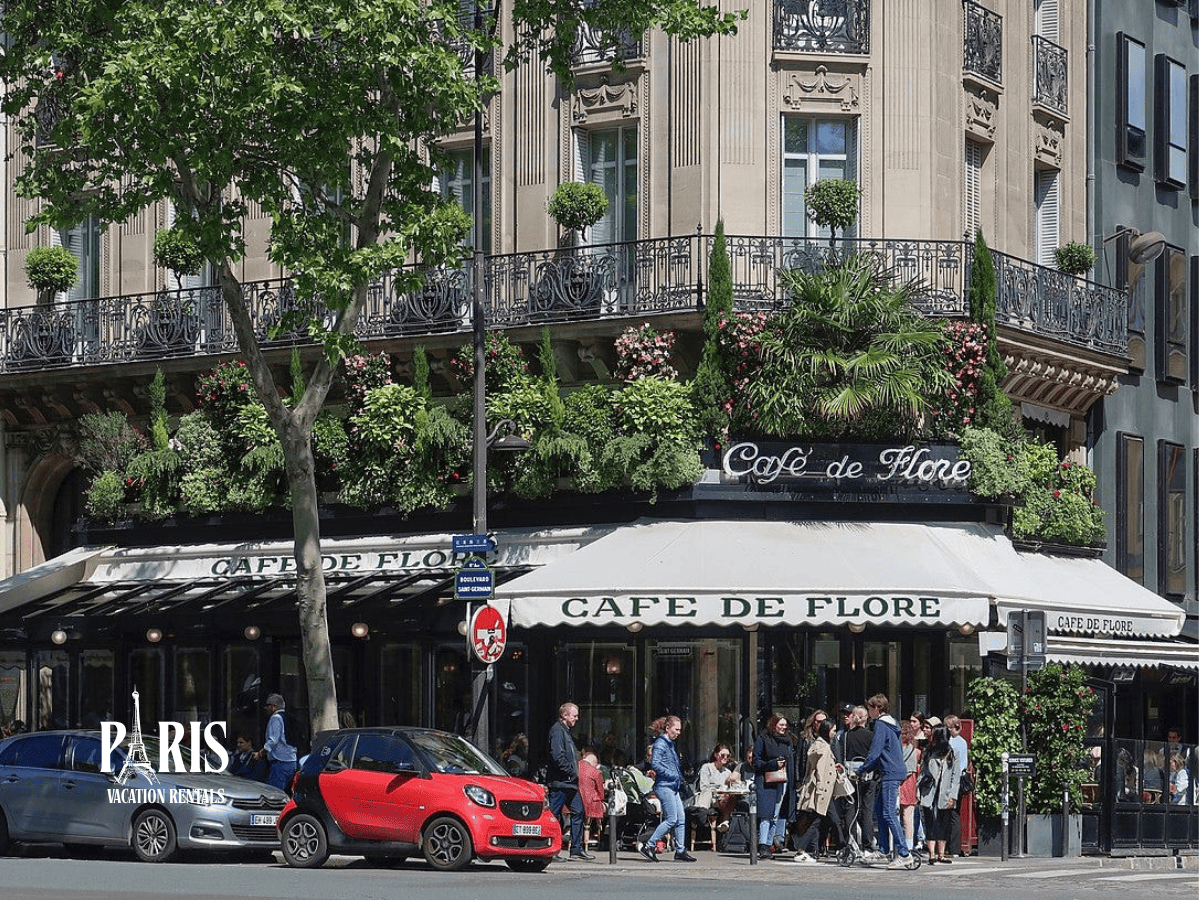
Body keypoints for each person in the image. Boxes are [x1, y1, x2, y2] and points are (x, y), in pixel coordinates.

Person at [859, 693, 915, 870]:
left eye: (869, 708)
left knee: (889, 813)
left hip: (890, 772)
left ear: (877, 708)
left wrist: (861, 770)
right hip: (894, 770)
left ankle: (904, 854)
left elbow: (875, 752)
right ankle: (883, 849)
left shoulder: (881, 725)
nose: (868, 711)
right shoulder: (893, 723)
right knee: (879, 809)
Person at [638, 715, 696, 862]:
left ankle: (680, 850)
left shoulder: (669, 743)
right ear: (668, 728)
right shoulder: (661, 743)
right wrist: (673, 775)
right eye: (676, 729)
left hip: (672, 786)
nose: (678, 733)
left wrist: (678, 778)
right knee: (672, 819)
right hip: (665, 786)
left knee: (681, 818)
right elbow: (655, 764)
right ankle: (649, 845)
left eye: (680, 730)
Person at [792, 719, 844, 863]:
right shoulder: (825, 748)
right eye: (833, 730)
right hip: (823, 791)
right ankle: (842, 846)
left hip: (820, 790)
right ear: (827, 731)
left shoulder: (817, 745)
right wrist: (822, 789)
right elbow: (821, 771)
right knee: (831, 820)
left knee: (817, 821)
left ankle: (802, 849)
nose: (834, 733)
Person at [547, 702, 592, 861]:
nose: (577, 719)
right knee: (554, 815)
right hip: (561, 782)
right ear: (564, 715)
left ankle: (576, 849)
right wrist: (571, 771)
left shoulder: (565, 732)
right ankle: (551, 849)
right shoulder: (557, 731)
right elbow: (557, 755)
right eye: (574, 715)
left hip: (569, 783)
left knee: (578, 811)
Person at [752, 712, 794, 858]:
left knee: (775, 814)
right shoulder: (763, 739)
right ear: (773, 724)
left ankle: (769, 845)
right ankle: (763, 844)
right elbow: (756, 762)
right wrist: (772, 764)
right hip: (766, 781)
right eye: (781, 724)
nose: (784, 727)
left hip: (782, 781)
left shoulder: (787, 741)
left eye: (785, 725)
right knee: (766, 814)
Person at [918, 723, 960, 864]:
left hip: (945, 792)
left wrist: (953, 795)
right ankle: (932, 854)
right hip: (929, 790)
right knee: (929, 821)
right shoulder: (928, 751)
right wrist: (918, 791)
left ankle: (941, 854)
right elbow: (922, 772)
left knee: (943, 821)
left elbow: (955, 776)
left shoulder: (953, 753)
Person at [844, 705, 877, 854]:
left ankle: (851, 841)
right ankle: (868, 845)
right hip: (867, 775)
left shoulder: (846, 736)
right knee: (867, 811)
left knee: (851, 808)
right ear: (865, 718)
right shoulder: (871, 736)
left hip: (850, 775)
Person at [255, 693, 297, 792]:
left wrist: (260, 753)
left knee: (274, 793)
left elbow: (273, 740)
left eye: (268, 706)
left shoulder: (276, 718)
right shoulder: (289, 718)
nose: (266, 709)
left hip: (280, 762)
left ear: (273, 707)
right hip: (291, 761)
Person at [697, 742, 742, 831]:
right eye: (722, 755)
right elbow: (704, 787)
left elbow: (732, 787)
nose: (725, 758)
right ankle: (725, 821)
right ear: (716, 755)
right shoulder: (706, 768)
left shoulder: (727, 772)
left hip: (722, 800)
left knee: (733, 797)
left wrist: (737, 782)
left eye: (728, 756)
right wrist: (719, 790)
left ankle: (725, 823)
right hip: (708, 798)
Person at [944, 714, 970, 857]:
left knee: (951, 813)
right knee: (953, 813)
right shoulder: (962, 741)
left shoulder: (952, 742)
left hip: (953, 780)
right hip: (958, 779)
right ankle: (952, 847)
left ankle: (953, 847)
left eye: (947, 727)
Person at [899, 717, 920, 857]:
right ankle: (909, 845)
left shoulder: (896, 750)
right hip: (910, 784)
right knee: (908, 817)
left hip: (899, 783)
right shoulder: (915, 751)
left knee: (896, 816)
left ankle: (897, 844)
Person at [577, 748, 606, 851]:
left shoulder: (575, 767)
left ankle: (575, 843)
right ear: (594, 762)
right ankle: (600, 839)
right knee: (604, 812)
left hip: (576, 802)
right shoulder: (595, 772)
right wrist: (602, 799)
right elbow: (601, 792)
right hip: (592, 804)